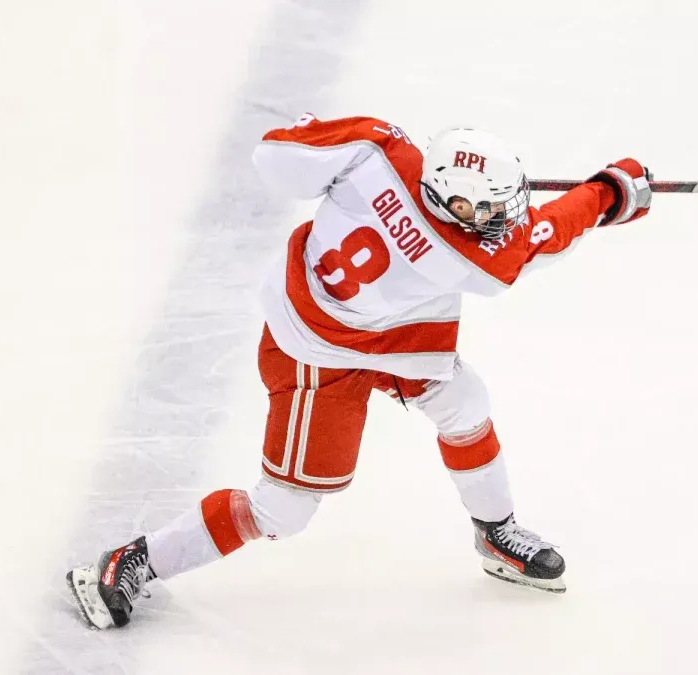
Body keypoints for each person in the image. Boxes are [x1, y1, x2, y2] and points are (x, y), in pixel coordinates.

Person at [66, 113, 652, 630]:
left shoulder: (378, 152)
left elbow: (275, 155)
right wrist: (610, 192)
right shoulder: (473, 257)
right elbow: (542, 235)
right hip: (319, 357)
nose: (500, 220)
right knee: (282, 511)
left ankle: (497, 535)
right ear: (455, 205)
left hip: (379, 330)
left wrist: (332, 141)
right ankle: (132, 561)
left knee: (465, 404)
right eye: (489, 210)